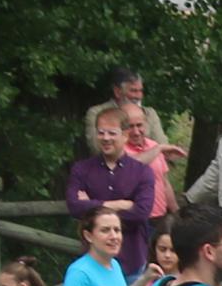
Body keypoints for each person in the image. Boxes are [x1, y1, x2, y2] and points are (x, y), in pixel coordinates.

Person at [59, 112, 157, 275]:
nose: (105, 138)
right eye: (101, 132)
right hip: (93, 262)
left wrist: (92, 206)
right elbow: (75, 207)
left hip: (132, 261)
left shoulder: (142, 172)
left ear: (125, 135)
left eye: (112, 133)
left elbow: (141, 213)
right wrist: (117, 205)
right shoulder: (81, 169)